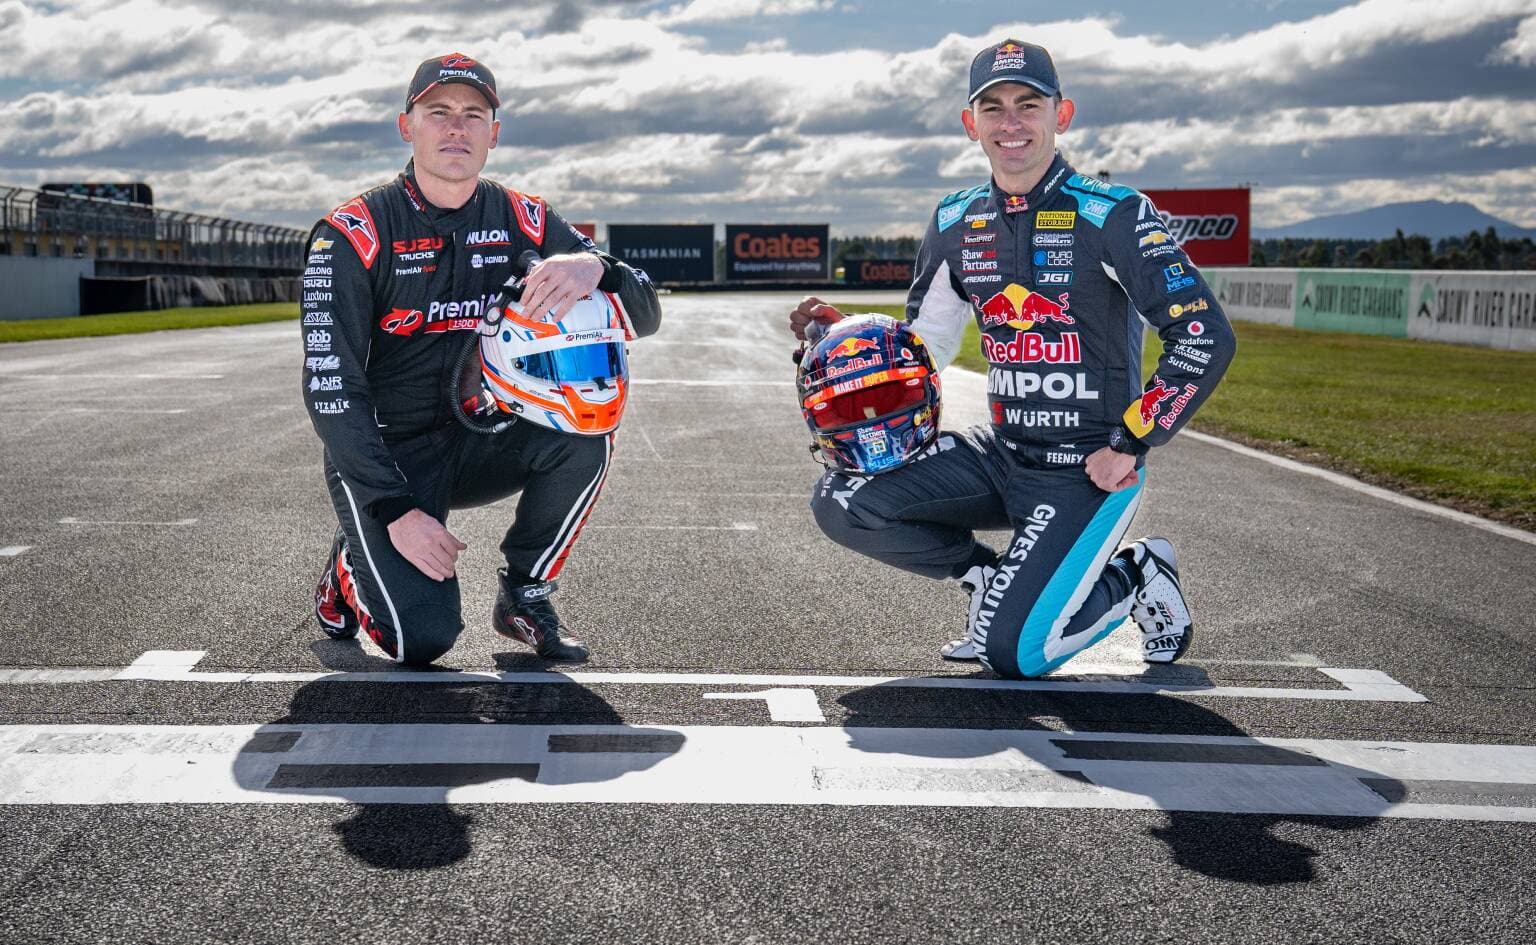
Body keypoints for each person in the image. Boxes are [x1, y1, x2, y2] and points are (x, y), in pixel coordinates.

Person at [790, 38, 1235, 680]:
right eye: (993, 108)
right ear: (972, 124)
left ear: (1063, 113)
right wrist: (842, 338)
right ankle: (990, 582)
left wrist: (1133, 441)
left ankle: (1136, 573)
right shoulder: (954, 219)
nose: (1012, 123)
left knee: (1017, 655)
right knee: (842, 498)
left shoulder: (1113, 214)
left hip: (1087, 466)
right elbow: (926, 346)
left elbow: (1204, 337)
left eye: (1029, 104)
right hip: (1001, 453)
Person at [303, 53, 661, 666]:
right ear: (405, 125)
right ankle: (349, 567)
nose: (456, 128)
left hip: (486, 436)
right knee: (422, 640)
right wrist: (390, 507)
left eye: (474, 115)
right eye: (437, 112)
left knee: (586, 430)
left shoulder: (527, 218)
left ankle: (525, 591)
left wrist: (597, 267)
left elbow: (646, 313)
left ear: (493, 134)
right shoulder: (353, 230)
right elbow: (330, 385)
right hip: (391, 459)